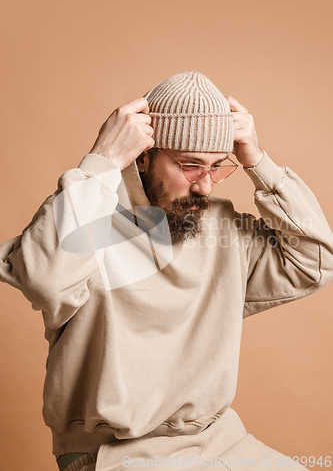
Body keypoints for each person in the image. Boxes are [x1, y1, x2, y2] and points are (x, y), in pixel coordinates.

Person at [1, 71, 332, 471]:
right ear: (142, 156)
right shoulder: (84, 218)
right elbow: (45, 280)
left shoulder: (223, 228)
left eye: (217, 167)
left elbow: (316, 261)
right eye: (191, 165)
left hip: (223, 441)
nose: (206, 186)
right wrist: (100, 162)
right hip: (117, 453)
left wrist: (258, 163)